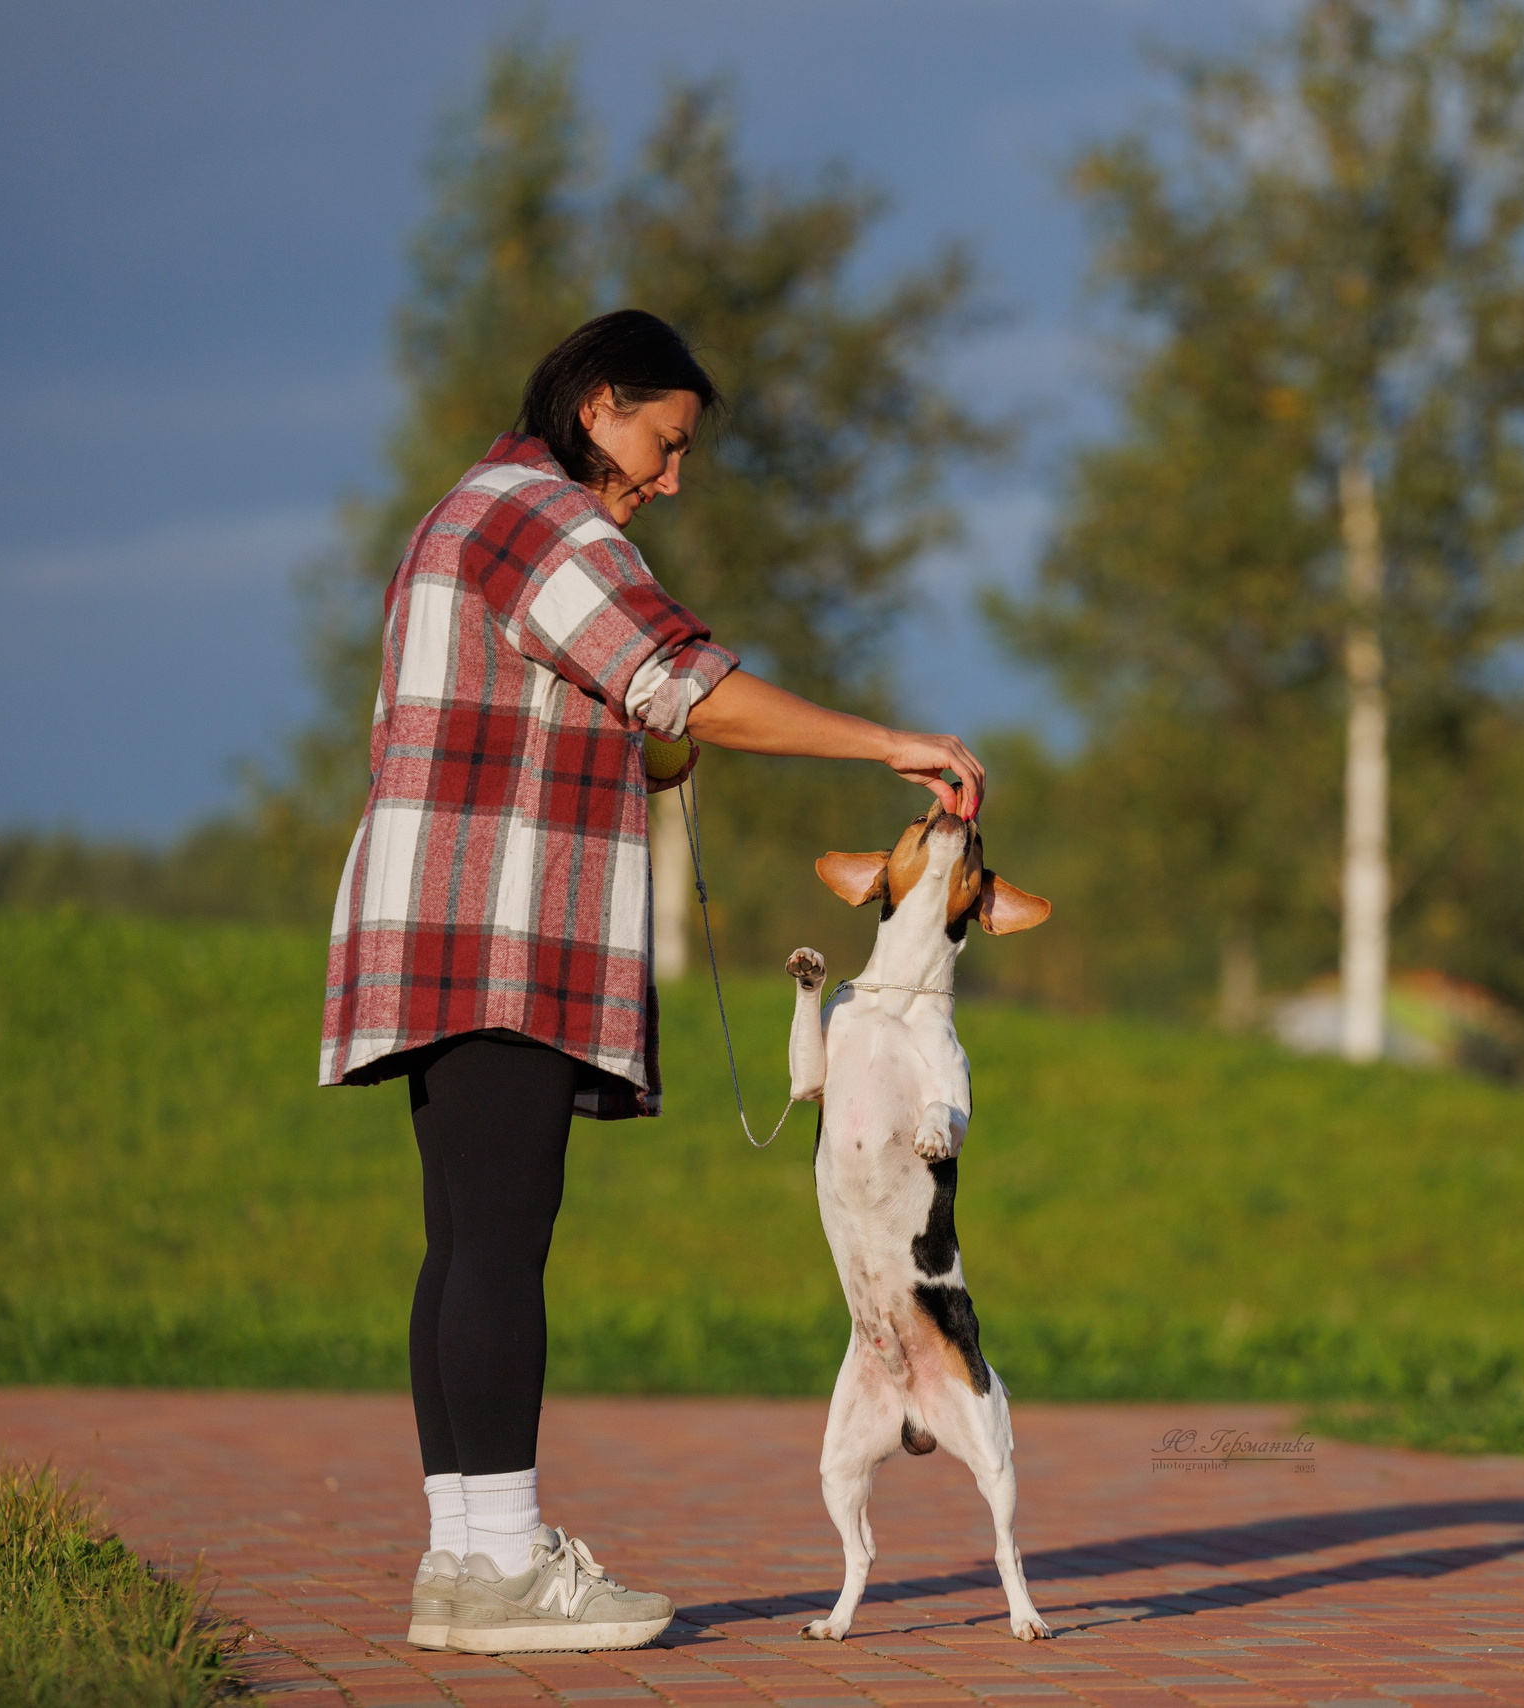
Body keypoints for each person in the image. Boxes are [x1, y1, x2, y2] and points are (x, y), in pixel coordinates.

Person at [318, 309, 986, 1654]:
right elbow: (681, 677)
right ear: (601, 403)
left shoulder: (470, 511)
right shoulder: (546, 520)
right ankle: (504, 1569)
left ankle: (464, 1566)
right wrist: (884, 745)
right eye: (666, 443)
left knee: (465, 1244)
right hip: (504, 927)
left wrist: (637, 741)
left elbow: (602, 699)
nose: (672, 477)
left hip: (440, 919)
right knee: (503, 1243)